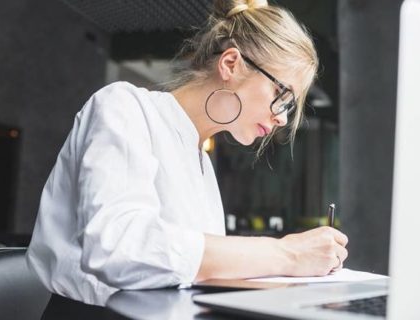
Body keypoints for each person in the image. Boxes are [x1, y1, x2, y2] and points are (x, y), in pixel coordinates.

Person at [27, 0, 348, 305]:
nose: (282, 118)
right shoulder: (124, 106)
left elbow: (193, 270)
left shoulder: (202, 163)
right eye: (282, 95)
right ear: (231, 63)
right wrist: (287, 254)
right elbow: (118, 247)